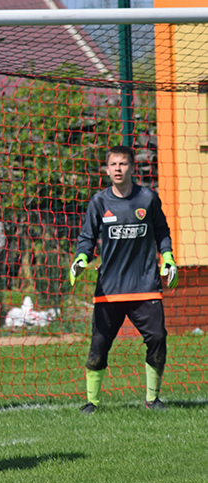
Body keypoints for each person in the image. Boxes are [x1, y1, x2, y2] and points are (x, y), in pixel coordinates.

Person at [70, 145, 178, 414]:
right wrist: (81, 259)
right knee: (98, 346)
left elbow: (162, 231)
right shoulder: (99, 202)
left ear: (132, 167)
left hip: (145, 286)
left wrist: (168, 257)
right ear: (107, 169)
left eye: (123, 164)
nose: (118, 169)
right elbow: (87, 238)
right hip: (109, 289)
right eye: (113, 164)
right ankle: (92, 402)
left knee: (158, 338)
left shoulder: (148, 198)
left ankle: (153, 399)